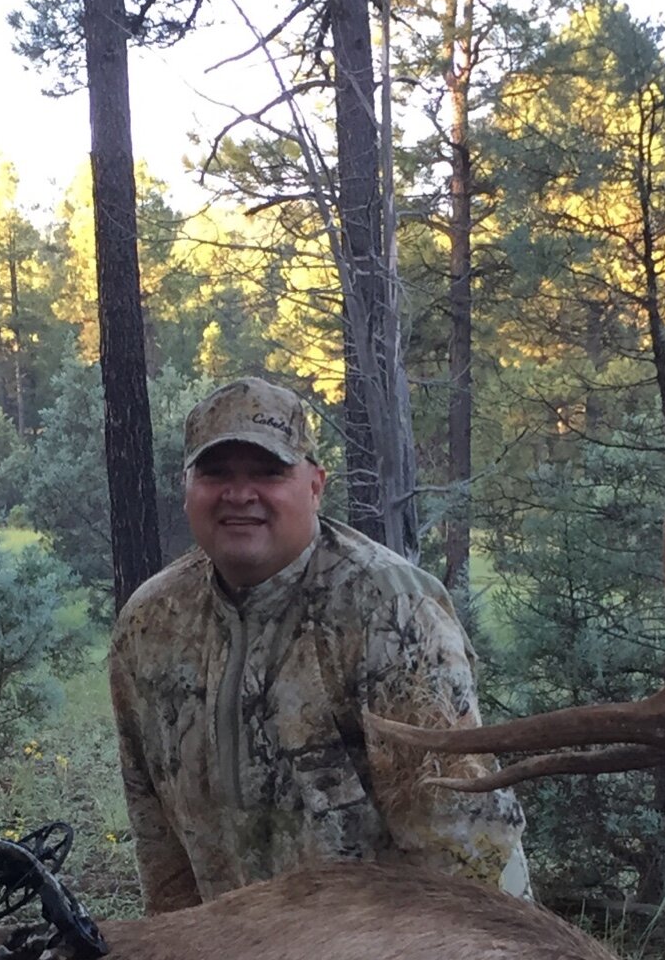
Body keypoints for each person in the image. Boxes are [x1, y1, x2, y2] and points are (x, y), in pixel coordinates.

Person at [108, 376, 528, 913]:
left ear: (315, 484)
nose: (240, 494)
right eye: (216, 473)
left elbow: (466, 850)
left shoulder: (389, 610)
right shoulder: (151, 625)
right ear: (187, 487)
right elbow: (158, 838)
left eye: (269, 471)